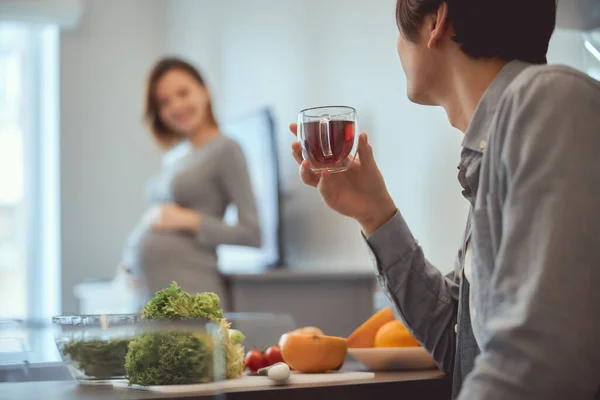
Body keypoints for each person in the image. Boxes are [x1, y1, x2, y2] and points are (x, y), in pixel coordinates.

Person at [290, 0, 600, 399]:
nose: (398, 48)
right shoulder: (494, 148)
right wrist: (375, 214)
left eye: (400, 31)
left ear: (436, 21)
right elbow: (461, 345)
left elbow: (539, 359)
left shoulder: (549, 100)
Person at [121, 57, 261, 310]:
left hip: (191, 293)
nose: (176, 106)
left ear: (204, 91)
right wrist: (132, 263)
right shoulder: (177, 157)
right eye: (164, 102)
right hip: (152, 298)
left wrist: (190, 220)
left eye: (183, 93)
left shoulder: (226, 149)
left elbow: (253, 233)